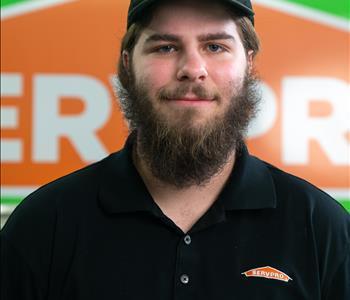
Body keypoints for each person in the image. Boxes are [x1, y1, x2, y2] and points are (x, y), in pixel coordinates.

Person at [1, 0, 349, 299]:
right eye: (165, 47)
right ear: (126, 63)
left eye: (215, 46)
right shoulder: (43, 226)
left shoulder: (322, 228)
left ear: (249, 63)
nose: (192, 70)